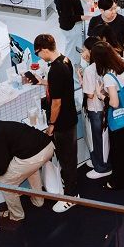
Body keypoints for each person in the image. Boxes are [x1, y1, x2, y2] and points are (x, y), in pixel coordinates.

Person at [0, 111, 55, 223]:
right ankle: (38, 200)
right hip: (48, 146)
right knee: (31, 169)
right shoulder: (4, 125)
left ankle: (17, 215)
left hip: (34, 156)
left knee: (5, 183)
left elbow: (0, 169)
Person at [33, 34, 78, 212]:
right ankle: (70, 188)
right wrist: (44, 82)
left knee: (67, 159)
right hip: (70, 116)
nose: (39, 57)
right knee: (69, 156)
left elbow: (56, 103)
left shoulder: (55, 70)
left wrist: (51, 124)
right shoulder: (65, 60)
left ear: (44, 49)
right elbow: (62, 85)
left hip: (62, 122)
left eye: (38, 53)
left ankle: (71, 196)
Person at [92, 41, 124, 191]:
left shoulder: (108, 76)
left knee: (119, 151)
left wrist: (101, 95)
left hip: (120, 119)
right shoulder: (123, 61)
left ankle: (119, 182)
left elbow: (114, 103)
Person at [81, 37, 111, 180]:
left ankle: (102, 167)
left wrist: (81, 80)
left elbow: (89, 94)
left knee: (98, 139)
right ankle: (98, 161)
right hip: (104, 106)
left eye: (84, 50)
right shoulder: (106, 64)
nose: (82, 53)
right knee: (101, 138)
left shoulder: (89, 70)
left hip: (95, 108)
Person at [54, 0, 86, 65]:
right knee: (72, 53)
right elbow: (69, 17)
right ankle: (71, 70)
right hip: (72, 27)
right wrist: (87, 17)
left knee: (74, 49)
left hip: (70, 26)